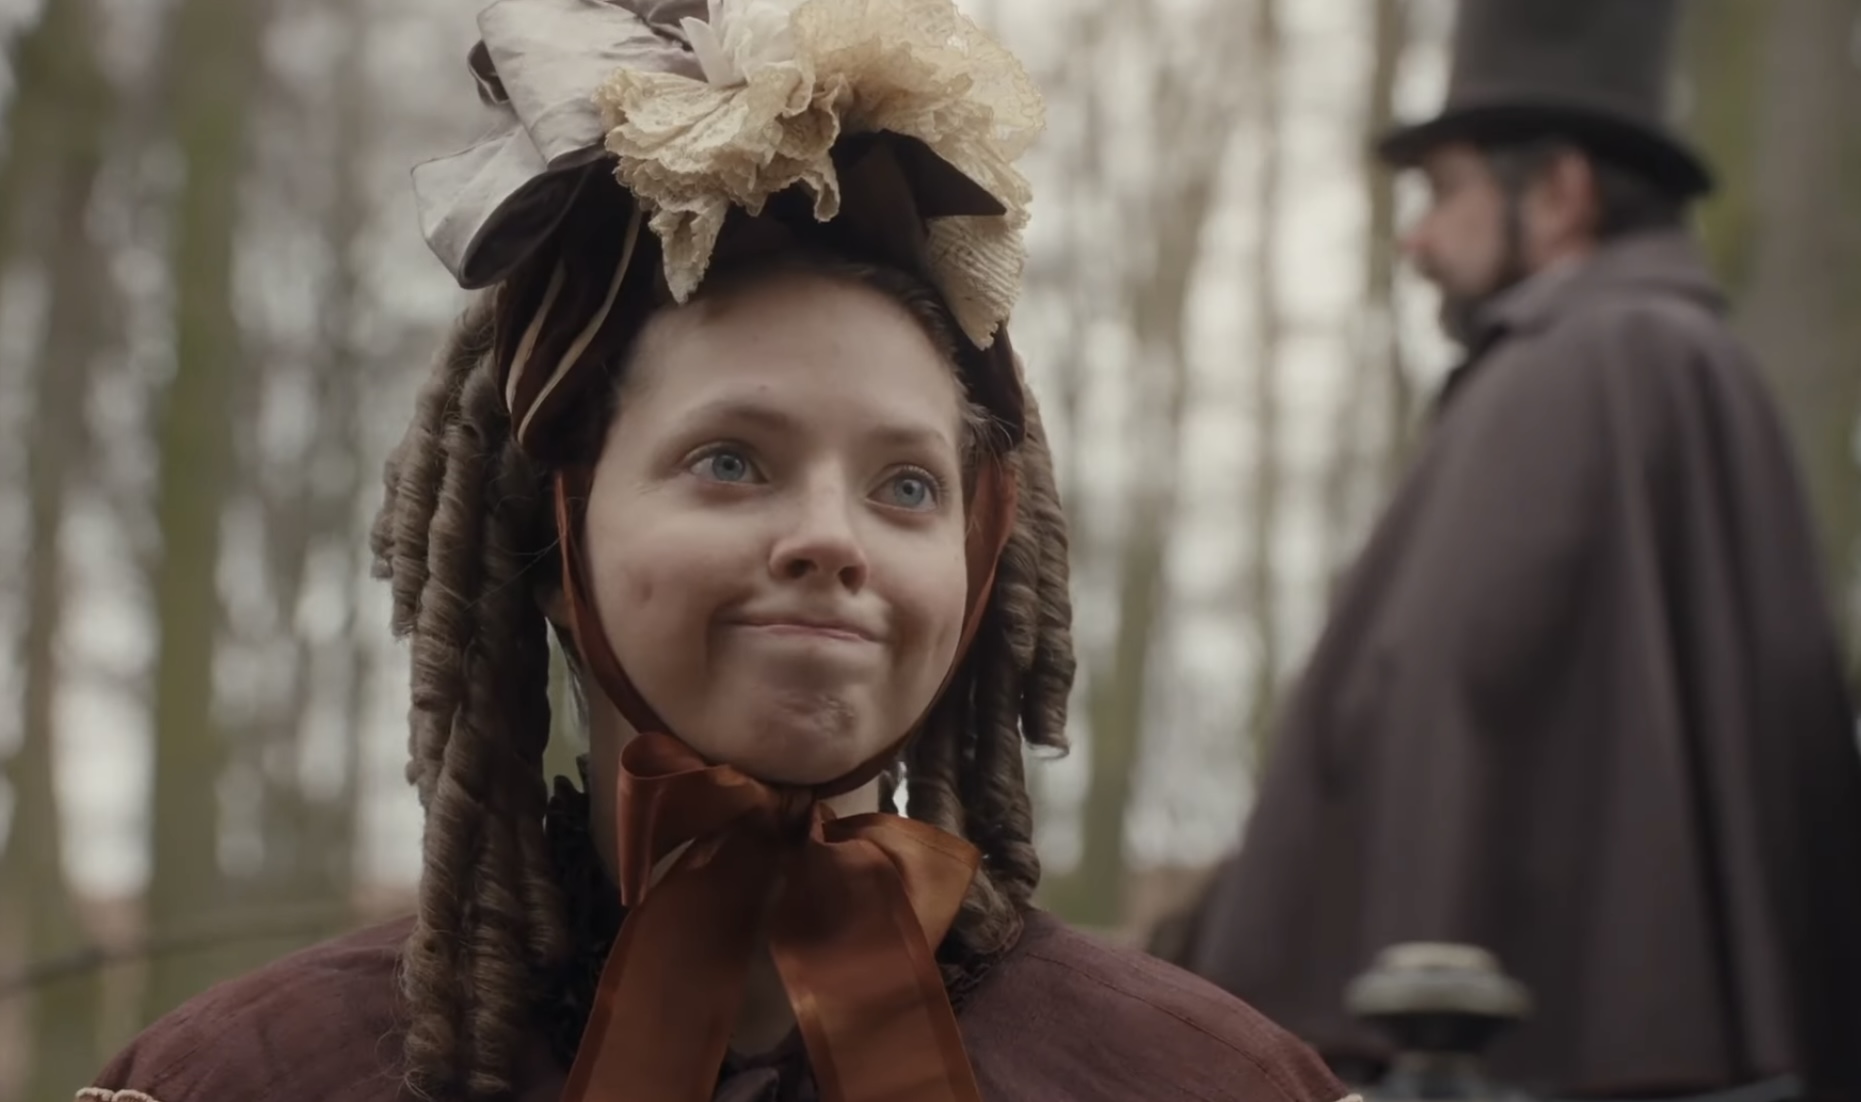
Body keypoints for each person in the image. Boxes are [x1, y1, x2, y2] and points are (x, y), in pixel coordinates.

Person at [78, 1, 1356, 1100]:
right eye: (731, 461)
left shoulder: (1201, 1080)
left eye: (906, 486)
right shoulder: (247, 1078)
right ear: (554, 533)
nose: (830, 538)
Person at [1160, 1, 1861, 1100]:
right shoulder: (1693, 366)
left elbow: (1442, 693)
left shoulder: (1572, 365)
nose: (1418, 238)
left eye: (1446, 191)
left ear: (1561, 191)